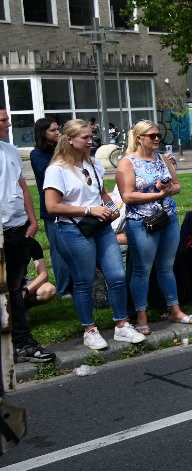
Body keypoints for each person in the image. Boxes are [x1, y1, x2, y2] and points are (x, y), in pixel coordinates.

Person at [44, 119, 144, 350]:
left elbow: (101, 193)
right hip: (72, 229)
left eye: (92, 137)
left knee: (117, 275)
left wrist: (112, 208)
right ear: (69, 140)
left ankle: (121, 325)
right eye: (85, 138)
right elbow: (52, 207)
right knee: (84, 280)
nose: (91, 141)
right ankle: (89, 329)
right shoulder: (57, 170)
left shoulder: (94, 165)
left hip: (100, 227)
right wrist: (89, 209)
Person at [116, 121, 192, 334]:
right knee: (142, 270)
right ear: (139, 137)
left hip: (167, 218)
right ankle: (141, 315)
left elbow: (177, 185)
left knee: (167, 267)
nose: (157, 138)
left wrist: (169, 188)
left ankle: (175, 309)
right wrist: (158, 194)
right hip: (142, 222)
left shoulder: (162, 159)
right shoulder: (127, 162)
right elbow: (128, 196)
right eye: (152, 136)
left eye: (158, 135)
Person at [0, 109, 54, 364]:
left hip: (17, 228)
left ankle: (22, 344)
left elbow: (22, 187)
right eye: (3, 120)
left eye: (8, 119)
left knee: (14, 288)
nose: (9, 124)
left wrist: (31, 220)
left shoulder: (10, 150)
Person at [30, 117, 70, 296]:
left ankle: (76, 284)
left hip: (69, 205)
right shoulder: (37, 154)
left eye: (58, 129)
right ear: (43, 133)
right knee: (58, 249)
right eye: (53, 130)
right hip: (51, 209)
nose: (57, 132)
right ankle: (63, 289)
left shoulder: (61, 150)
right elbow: (49, 172)